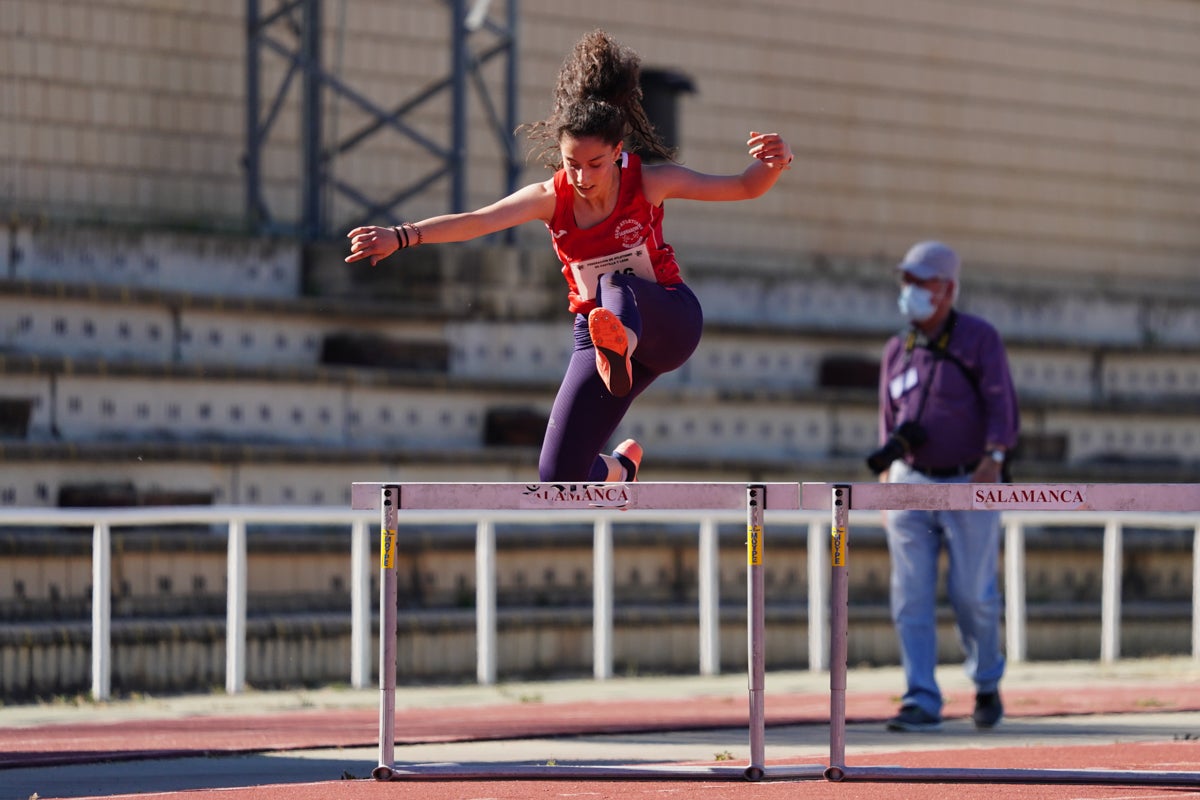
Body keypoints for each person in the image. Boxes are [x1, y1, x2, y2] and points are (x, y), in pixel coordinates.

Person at [345, 29, 793, 483]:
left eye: (595, 164)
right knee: (558, 475)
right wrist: (401, 236)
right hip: (598, 333)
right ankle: (620, 467)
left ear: (618, 153)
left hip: (669, 320)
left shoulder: (649, 183)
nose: (582, 176)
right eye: (571, 164)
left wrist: (774, 163)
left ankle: (621, 345)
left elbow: (742, 186)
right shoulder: (550, 197)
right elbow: (479, 221)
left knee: (614, 283)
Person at [868, 240, 1020, 732]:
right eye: (905, 280)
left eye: (921, 281)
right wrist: (886, 481)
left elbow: (1002, 404)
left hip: (969, 479)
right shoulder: (898, 348)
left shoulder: (979, 338)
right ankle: (921, 697)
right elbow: (887, 423)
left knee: (972, 592)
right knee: (909, 594)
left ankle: (986, 682)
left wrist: (995, 456)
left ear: (949, 288)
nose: (909, 290)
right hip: (910, 479)